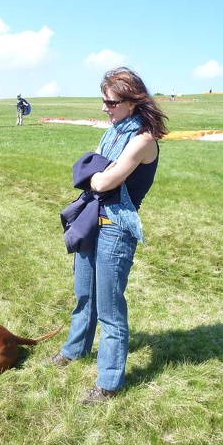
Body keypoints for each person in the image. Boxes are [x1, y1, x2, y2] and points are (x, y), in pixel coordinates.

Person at [46, 67, 168, 404]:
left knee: (110, 310)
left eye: (110, 102)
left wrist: (95, 172)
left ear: (131, 102)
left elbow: (100, 181)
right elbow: (93, 172)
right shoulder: (113, 132)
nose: (105, 108)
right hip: (91, 220)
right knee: (84, 294)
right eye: (103, 101)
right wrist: (96, 171)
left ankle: (109, 384)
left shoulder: (143, 140)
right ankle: (74, 351)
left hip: (116, 229)